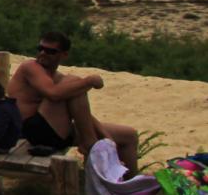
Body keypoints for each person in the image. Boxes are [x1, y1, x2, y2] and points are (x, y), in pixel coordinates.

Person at [8, 31, 139, 168]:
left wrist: (108, 139)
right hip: (32, 130)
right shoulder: (30, 67)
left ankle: (128, 186)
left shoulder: (57, 78)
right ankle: (91, 144)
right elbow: (53, 94)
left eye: (50, 51)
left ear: (64, 55)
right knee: (73, 83)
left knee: (129, 135)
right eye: (40, 49)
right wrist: (89, 81)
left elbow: (82, 113)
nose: (43, 53)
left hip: (55, 130)